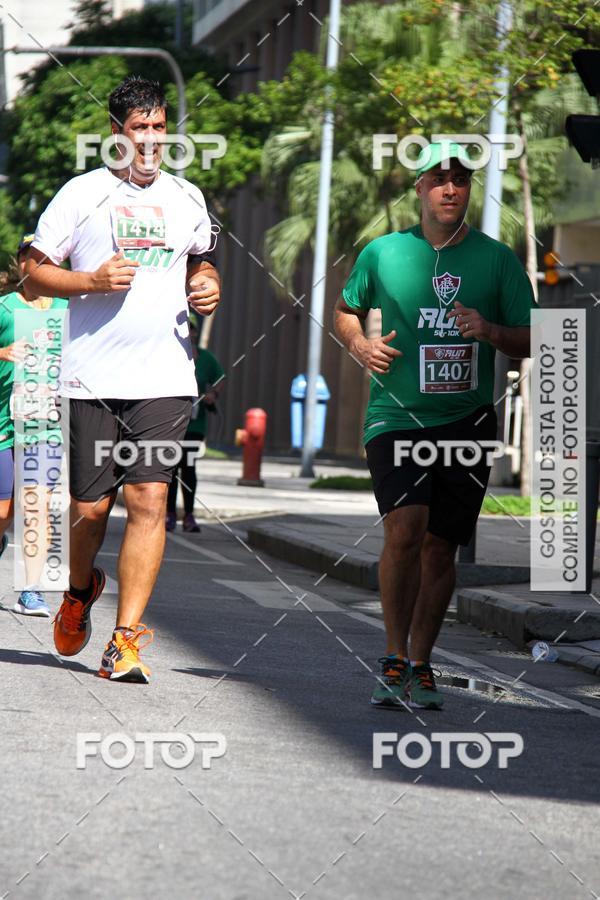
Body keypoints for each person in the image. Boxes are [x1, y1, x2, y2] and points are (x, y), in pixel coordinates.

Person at [25, 75, 220, 683]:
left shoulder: (186, 197)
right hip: (92, 379)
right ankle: (81, 590)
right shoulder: (81, 196)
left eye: (160, 127)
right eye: (140, 128)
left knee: (150, 499)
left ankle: (125, 639)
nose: (152, 139)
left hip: (165, 375)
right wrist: (89, 281)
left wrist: (208, 284)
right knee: (90, 507)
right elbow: (32, 275)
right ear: (116, 133)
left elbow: (202, 257)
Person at [335, 141, 534, 710]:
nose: (451, 189)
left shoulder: (496, 260)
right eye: (439, 179)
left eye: (461, 180)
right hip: (396, 417)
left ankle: (422, 663)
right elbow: (346, 309)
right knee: (406, 529)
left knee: (441, 548)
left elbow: (539, 337)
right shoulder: (383, 253)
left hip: (468, 421)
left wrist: (490, 330)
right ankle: (394, 655)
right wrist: (360, 344)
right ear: (419, 189)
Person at [0, 234, 68, 616]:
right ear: (22, 264)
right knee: (3, 512)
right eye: (34, 257)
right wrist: (2, 352)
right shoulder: (5, 308)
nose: (42, 266)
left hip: (46, 425)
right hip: (3, 421)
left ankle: (31, 589)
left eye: (50, 259)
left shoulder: (67, 310)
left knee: (37, 507)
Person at [166, 315, 225, 533]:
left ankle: (189, 515)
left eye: (191, 329)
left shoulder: (206, 359)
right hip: (170, 423)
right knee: (170, 468)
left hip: (195, 424)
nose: (187, 333)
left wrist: (212, 394)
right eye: (183, 329)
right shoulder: (168, 356)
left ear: (196, 333)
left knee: (188, 466)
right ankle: (170, 514)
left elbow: (220, 378)